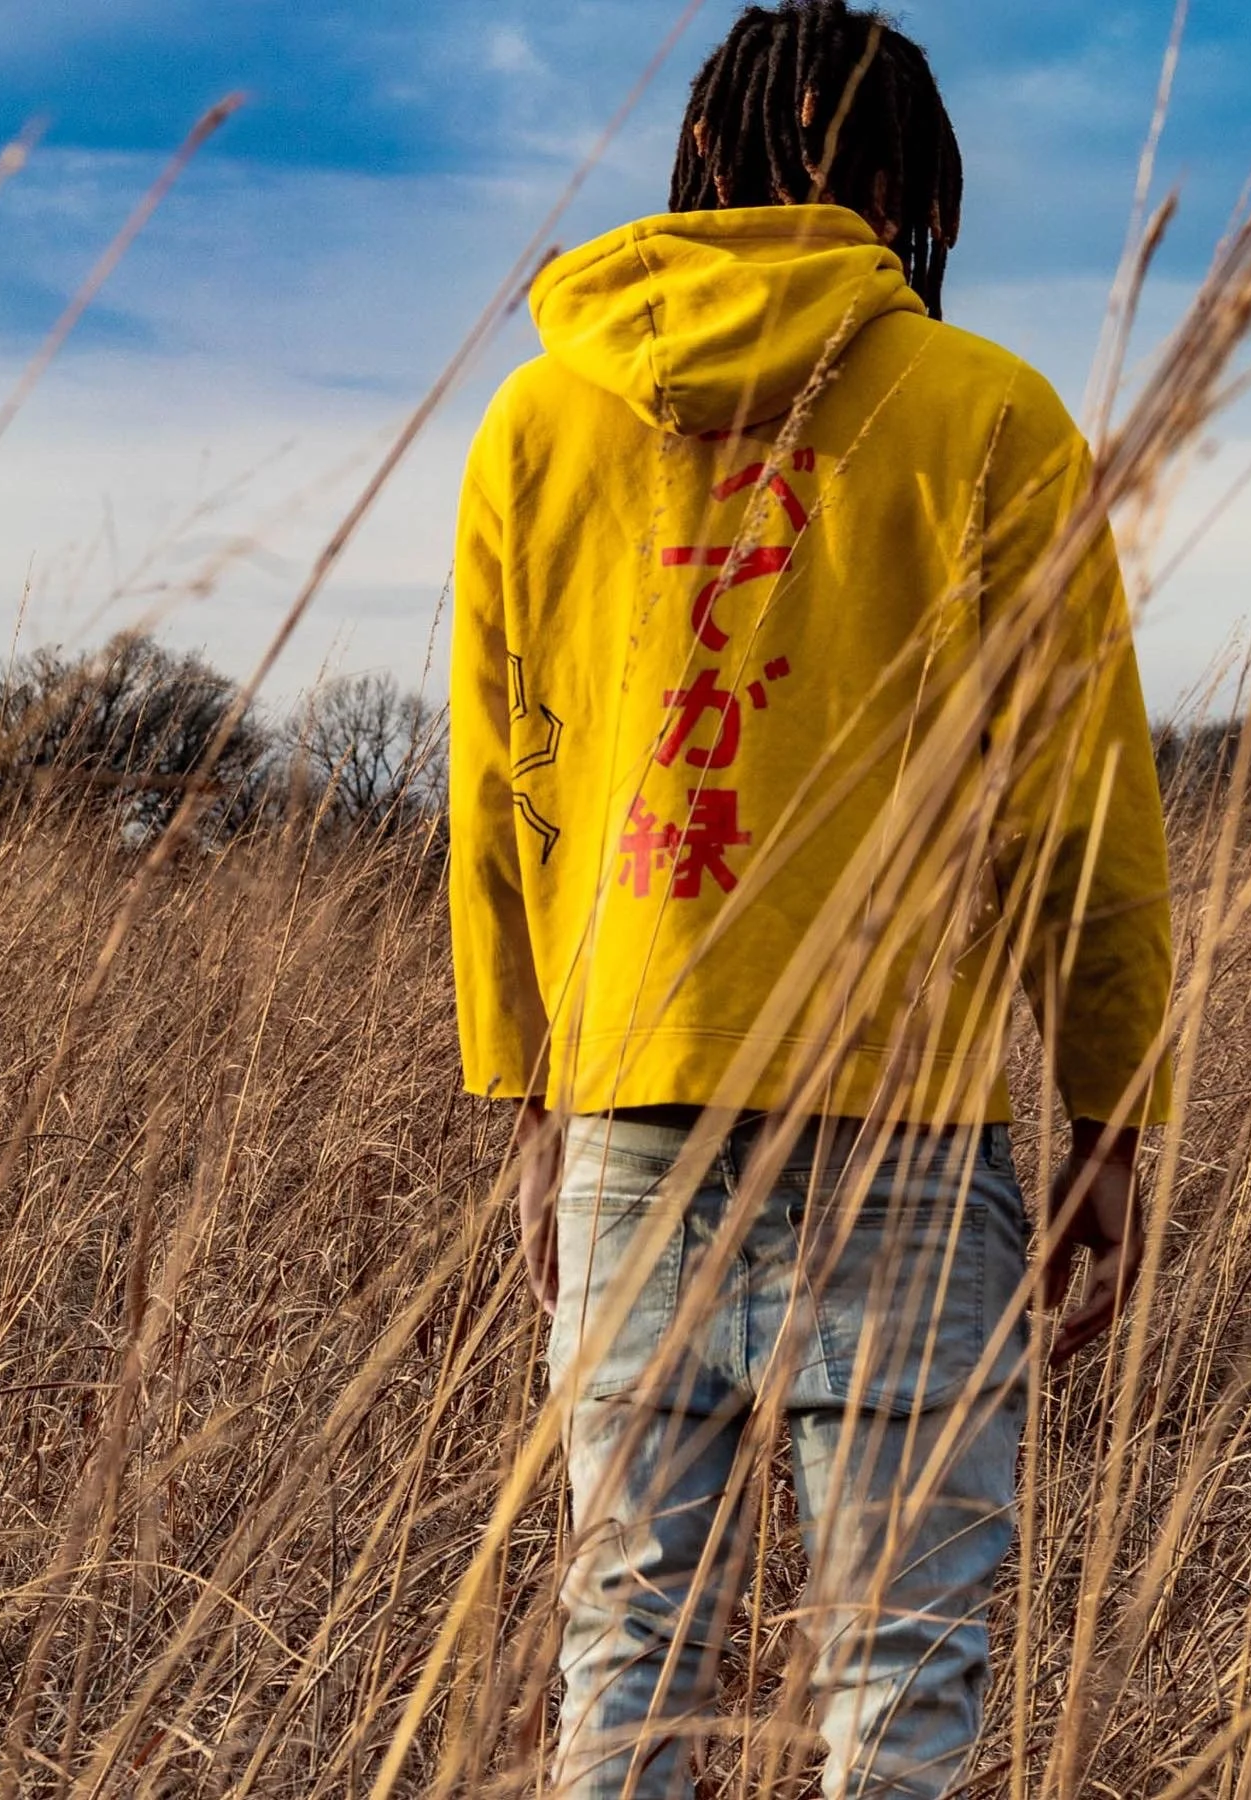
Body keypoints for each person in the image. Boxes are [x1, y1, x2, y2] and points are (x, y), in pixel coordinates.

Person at [449, 2, 1173, 1793]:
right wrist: (1107, 1119)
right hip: (907, 1140)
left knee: (628, 1658)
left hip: (634, 1117)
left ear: (701, 157)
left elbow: (503, 799)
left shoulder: (539, 418)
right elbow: (1080, 809)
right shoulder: (990, 413)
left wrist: (534, 1100)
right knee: (903, 1683)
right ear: (911, 193)